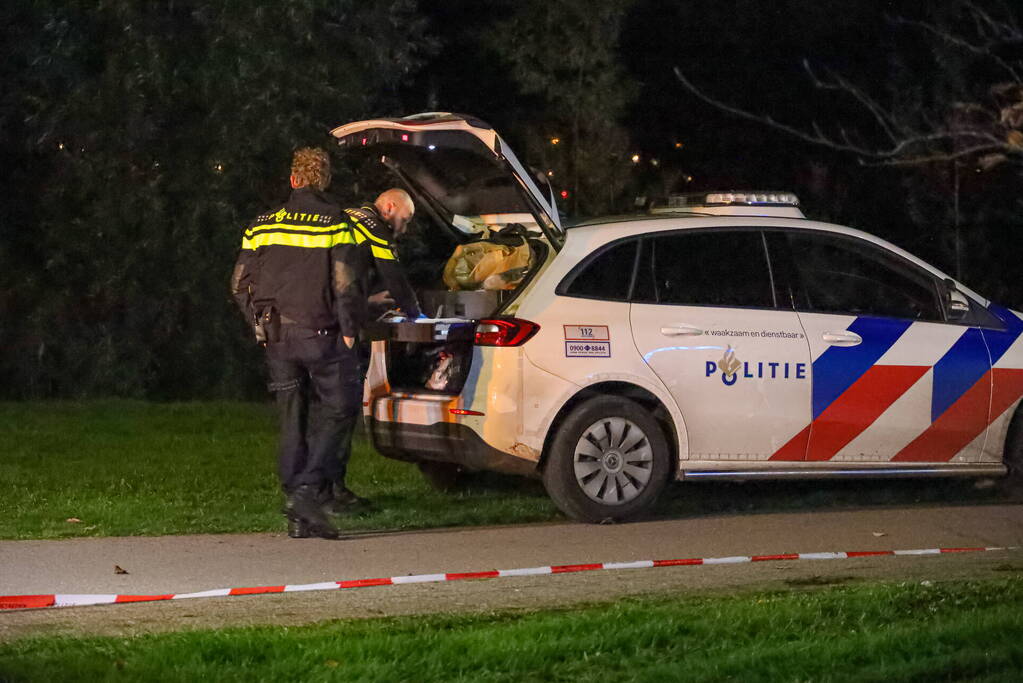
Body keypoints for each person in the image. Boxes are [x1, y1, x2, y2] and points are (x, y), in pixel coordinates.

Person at [230, 147, 419, 538]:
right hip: (322, 335)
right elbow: (345, 283)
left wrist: (260, 327)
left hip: (278, 338)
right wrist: (350, 327)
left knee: (291, 417)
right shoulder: (337, 222)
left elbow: (238, 285)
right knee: (341, 408)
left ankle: (301, 511)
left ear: (294, 180)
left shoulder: (262, 223)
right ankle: (306, 490)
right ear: (325, 181)